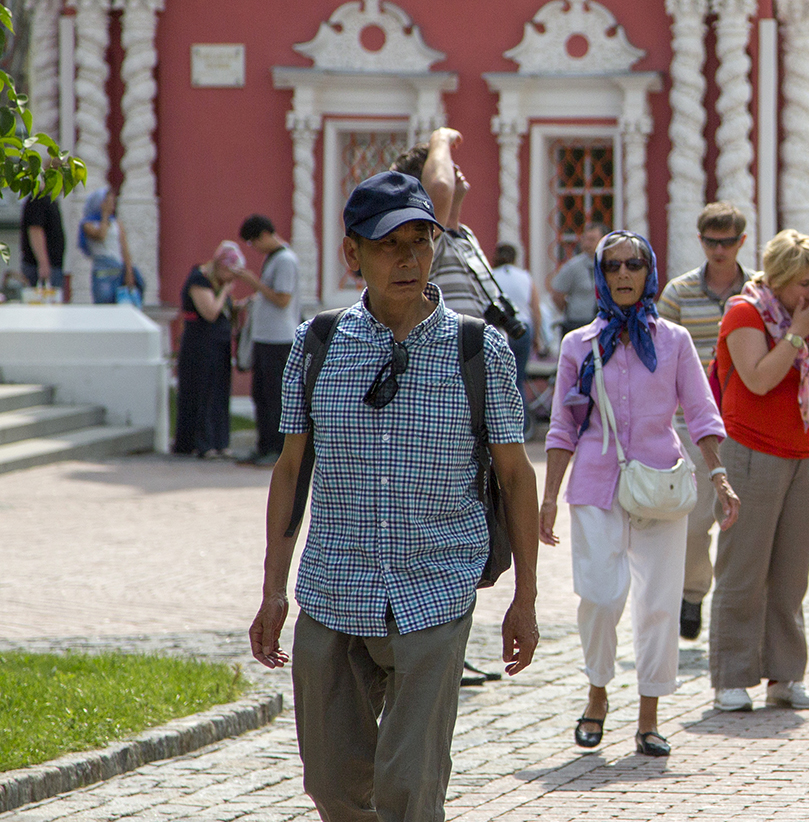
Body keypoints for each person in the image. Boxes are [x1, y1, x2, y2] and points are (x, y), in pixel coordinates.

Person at [248, 171, 540, 822]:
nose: (409, 259)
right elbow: (291, 470)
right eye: (389, 244)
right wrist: (274, 588)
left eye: (421, 241)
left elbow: (517, 477)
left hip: (434, 590)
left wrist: (525, 596)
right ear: (353, 255)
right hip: (332, 590)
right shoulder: (316, 345)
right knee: (332, 789)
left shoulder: (478, 349)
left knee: (410, 790)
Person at [539, 230, 739, 757]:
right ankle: (598, 692)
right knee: (601, 596)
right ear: (601, 276)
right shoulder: (577, 345)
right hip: (595, 485)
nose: (623, 275)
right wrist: (547, 499)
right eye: (612, 267)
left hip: (661, 485)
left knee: (657, 605)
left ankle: (649, 715)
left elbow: (701, 412)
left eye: (633, 265)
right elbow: (562, 426)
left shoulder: (672, 340)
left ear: (648, 273)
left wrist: (718, 474)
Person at [708, 228, 809, 713]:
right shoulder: (745, 313)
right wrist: (797, 332)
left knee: (790, 574)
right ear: (779, 279)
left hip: (805, 454)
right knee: (744, 569)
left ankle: (785, 676)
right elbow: (759, 379)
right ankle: (731, 678)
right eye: (804, 281)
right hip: (752, 452)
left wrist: (808, 412)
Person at [657, 201, 754, 641]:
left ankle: (738, 610)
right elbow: (657, 356)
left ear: (741, 242)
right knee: (695, 521)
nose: (720, 250)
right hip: (691, 422)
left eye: (728, 241)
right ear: (701, 242)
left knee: (745, 521)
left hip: (747, 421)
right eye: (712, 242)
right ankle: (693, 593)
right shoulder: (678, 293)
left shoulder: (757, 293)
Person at [390, 129, 508, 323]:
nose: (454, 168)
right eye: (444, 164)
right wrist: (440, 138)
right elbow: (440, 186)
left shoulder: (465, 235)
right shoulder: (428, 237)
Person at [236, 214, 300, 466]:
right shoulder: (273, 258)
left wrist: (254, 283)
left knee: (275, 398)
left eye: (253, 242)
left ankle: (277, 449)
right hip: (265, 338)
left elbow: (283, 299)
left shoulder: (285, 260)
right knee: (261, 395)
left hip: (279, 339)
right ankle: (263, 446)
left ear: (264, 234)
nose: (253, 248)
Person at [173, 241, 244, 459]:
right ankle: (201, 443)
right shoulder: (200, 280)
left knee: (219, 394)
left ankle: (220, 442)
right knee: (201, 394)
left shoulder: (218, 283)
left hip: (219, 346)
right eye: (229, 273)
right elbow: (210, 312)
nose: (231, 279)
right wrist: (224, 291)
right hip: (199, 348)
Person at [491, 242, 543, 421]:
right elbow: (536, 310)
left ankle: (500, 423)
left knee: (498, 381)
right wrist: (537, 337)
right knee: (518, 379)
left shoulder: (491, 276)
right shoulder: (525, 277)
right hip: (523, 329)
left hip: (498, 331)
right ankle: (522, 424)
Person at [79, 186, 144, 304]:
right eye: (108, 202)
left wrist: (129, 271)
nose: (111, 205)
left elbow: (124, 248)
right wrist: (104, 215)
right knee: (105, 305)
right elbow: (101, 236)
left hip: (118, 269)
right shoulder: (88, 224)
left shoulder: (116, 223)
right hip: (103, 272)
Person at [550, 222, 607, 337]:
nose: (587, 244)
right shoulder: (572, 266)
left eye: (592, 240)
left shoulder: (611, 265)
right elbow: (557, 294)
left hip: (604, 325)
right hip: (578, 324)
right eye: (585, 239)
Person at [19, 194, 65, 290]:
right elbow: (35, 230)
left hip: (52, 265)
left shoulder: (50, 200)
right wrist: (43, 263)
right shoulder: (39, 199)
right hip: (38, 267)